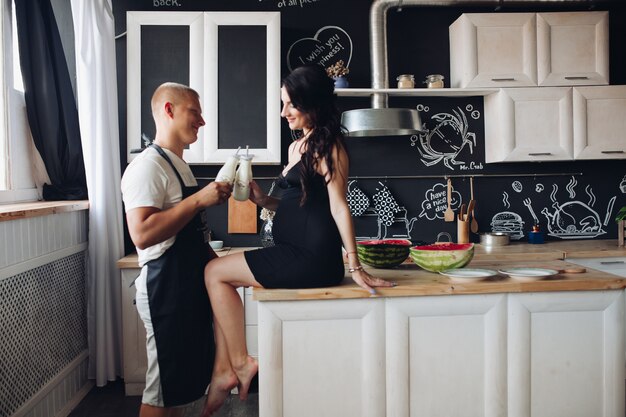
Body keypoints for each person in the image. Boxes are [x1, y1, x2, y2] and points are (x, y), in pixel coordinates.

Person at [200, 65, 396, 416]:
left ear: (312, 104)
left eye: (290, 104)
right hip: (294, 249)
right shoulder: (298, 147)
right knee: (215, 273)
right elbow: (295, 206)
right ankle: (228, 369)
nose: (283, 112)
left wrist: (355, 265)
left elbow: (338, 206)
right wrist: (262, 200)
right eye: (283, 104)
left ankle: (238, 366)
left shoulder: (329, 147)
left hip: (311, 256)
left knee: (215, 272)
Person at [121, 82, 232, 417]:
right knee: (161, 391)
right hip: (165, 289)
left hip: (185, 287)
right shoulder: (147, 167)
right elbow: (141, 233)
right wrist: (201, 199)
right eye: (194, 112)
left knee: (180, 390)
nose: (202, 121)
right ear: (169, 110)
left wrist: (224, 270)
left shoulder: (177, 165)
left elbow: (189, 233)